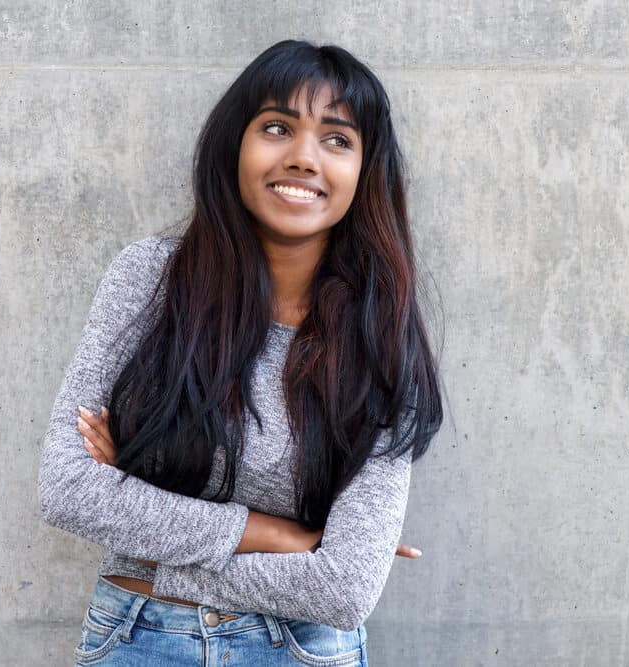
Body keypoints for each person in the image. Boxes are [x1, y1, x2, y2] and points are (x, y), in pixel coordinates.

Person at [38, 39, 444, 666]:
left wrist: (151, 544)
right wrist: (283, 536)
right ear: (236, 145)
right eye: (277, 127)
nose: (304, 158)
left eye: (337, 139)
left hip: (305, 650)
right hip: (141, 641)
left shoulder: (379, 332)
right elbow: (68, 489)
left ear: (366, 172)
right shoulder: (152, 281)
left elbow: (344, 586)